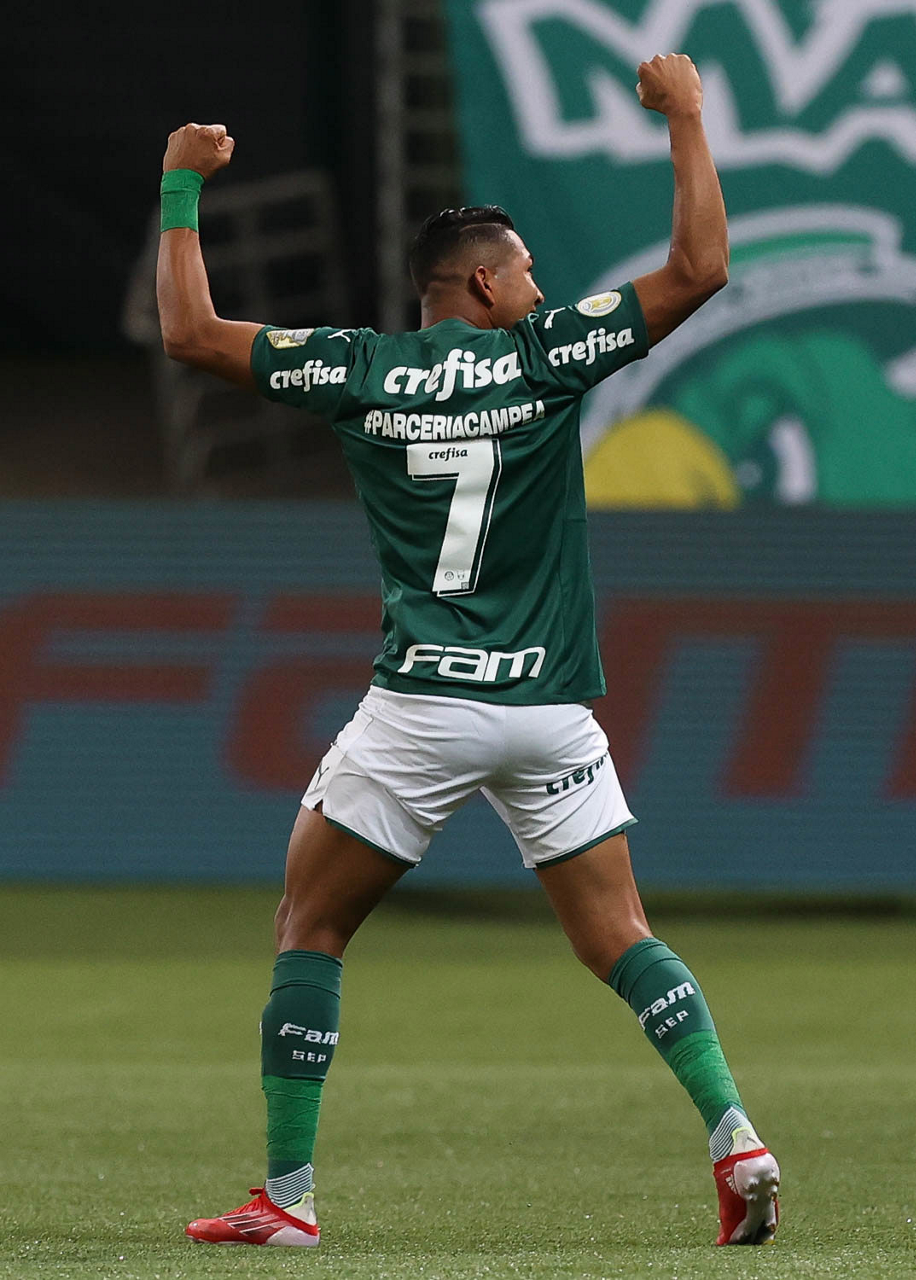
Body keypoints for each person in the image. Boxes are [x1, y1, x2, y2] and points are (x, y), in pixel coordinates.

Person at [157, 54, 780, 1250]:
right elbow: (701, 268)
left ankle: (286, 1197)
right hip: (549, 708)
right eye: (528, 271)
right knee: (620, 934)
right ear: (485, 284)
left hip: (421, 705)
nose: (539, 287)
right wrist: (688, 116)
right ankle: (735, 1136)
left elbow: (188, 331)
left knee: (309, 924)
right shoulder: (548, 352)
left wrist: (182, 184)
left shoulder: (359, 367)